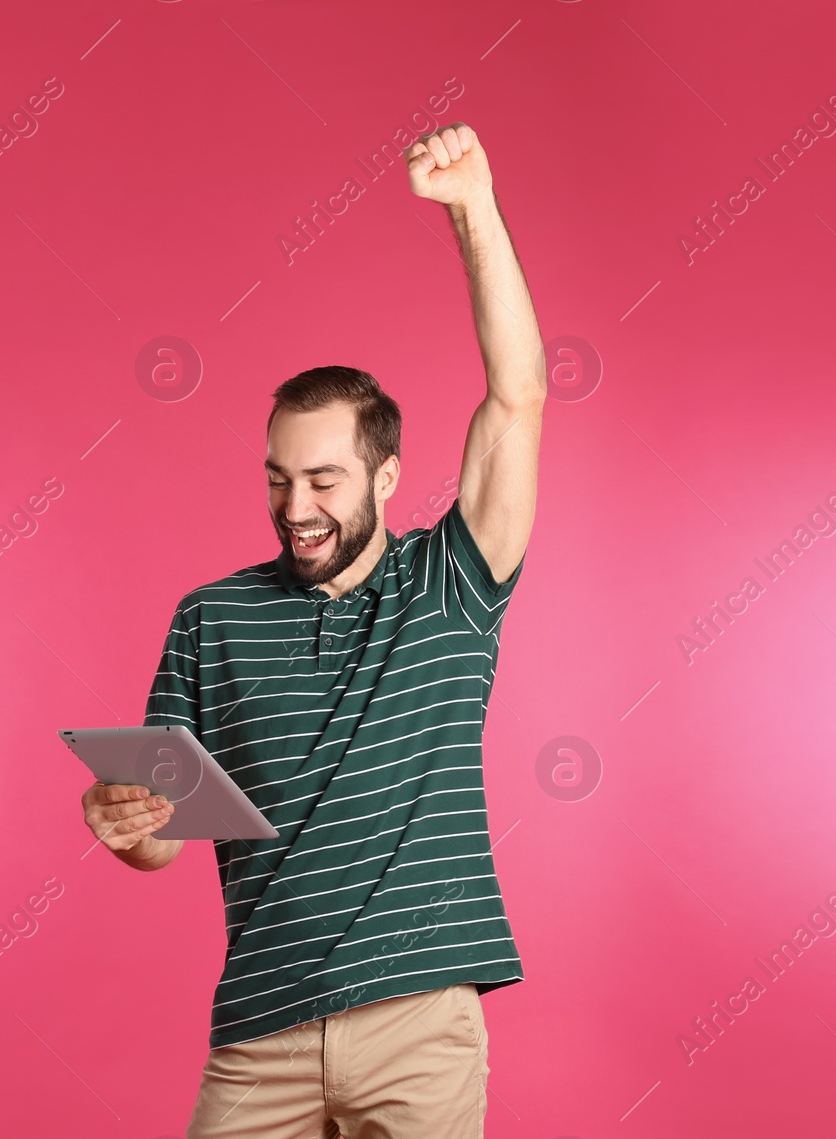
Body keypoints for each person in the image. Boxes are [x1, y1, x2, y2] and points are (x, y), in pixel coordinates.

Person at [81, 122, 546, 1138]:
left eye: (324, 480)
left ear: (383, 477)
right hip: (260, 1036)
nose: (297, 506)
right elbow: (168, 826)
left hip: (417, 1023)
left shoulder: (450, 583)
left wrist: (472, 210)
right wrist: (128, 824)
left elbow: (517, 395)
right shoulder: (211, 617)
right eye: (277, 478)